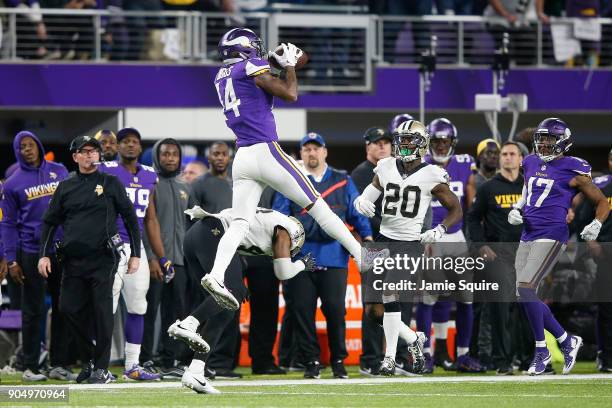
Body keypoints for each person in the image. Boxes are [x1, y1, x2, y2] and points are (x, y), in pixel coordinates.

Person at [202, 27, 363, 311]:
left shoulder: (221, 75)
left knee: (240, 223)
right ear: (244, 48)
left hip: (242, 156)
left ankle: (216, 275)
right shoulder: (250, 64)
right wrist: (288, 65)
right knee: (318, 207)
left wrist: (278, 62)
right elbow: (290, 93)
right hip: (266, 150)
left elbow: (260, 79)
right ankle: (362, 257)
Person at [354, 119, 462, 376]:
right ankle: (413, 338)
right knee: (372, 310)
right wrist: (361, 203)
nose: (402, 146)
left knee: (390, 293)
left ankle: (389, 358)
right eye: (400, 140)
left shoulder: (432, 174)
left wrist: (440, 229)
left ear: (421, 143)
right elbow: (366, 197)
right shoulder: (386, 166)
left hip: (410, 243)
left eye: (408, 141)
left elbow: (456, 208)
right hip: (382, 240)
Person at [169, 206, 315, 394]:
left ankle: (196, 370)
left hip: (198, 235)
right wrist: (302, 264)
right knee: (232, 293)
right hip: (211, 233)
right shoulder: (286, 230)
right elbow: (282, 272)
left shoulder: (271, 225)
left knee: (226, 307)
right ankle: (189, 323)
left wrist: (238, 281)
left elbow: (237, 245)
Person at [507, 118, 609, 375]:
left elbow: (602, 202)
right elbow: (527, 192)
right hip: (528, 232)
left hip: (552, 233)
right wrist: (517, 209)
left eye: (549, 139)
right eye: (541, 138)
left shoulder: (573, 168)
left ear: (562, 142)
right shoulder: (529, 161)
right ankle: (566, 340)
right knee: (523, 295)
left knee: (525, 288)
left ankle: (542, 350)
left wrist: (596, 224)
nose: (543, 143)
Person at [37, 135, 141, 384]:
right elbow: (50, 222)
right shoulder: (65, 187)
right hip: (72, 260)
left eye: (93, 151)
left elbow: (130, 218)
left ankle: (101, 369)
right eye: (83, 152)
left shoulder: (111, 182)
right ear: (75, 157)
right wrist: (43, 255)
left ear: (99, 155)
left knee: (103, 313)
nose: (89, 155)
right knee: (67, 309)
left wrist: (135, 253)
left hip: (104, 259)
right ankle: (92, 359)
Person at [273, 132, 373, 379]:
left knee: (336, 311)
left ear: (325, 152)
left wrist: (368, 239)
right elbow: (279, 217)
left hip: (334, 257)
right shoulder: (290, 181)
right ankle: (311, 362)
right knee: (302, 312)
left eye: (316, 148)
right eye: (306, 149)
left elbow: (355, 213)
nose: (311, 153)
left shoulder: (341, 179)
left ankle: (339, 361)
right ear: (302, 153)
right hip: (301, 260)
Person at [1, 130, 70, 381]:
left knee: (63, 307)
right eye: (21, 147)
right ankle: (30, 366)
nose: (26, 150)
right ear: (16, 152)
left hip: (60, 250)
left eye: (30, 145)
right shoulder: (12, 183)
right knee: (33, 310)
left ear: (39, 146)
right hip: (29, 251)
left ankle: (59, 363)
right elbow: (7, 224)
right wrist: (11, 260)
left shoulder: (60, 171)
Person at [98, 127, 166, 381]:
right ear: (117, 146)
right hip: (110, 248)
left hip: (136, 249)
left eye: (134, 142)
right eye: (124, 141)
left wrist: (161, 256)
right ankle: (100, 365)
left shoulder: (149, 175)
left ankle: (132, 366)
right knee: (108, 308)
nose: (129, 145)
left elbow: (151, 219)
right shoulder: (105, 171)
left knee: (139, 306)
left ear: (140, 147)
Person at [418, 117, 482, 373]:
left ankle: (463, 355)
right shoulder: (420, 166)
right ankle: (424, 354)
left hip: (456, 237)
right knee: (429, 298)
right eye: (437, 141)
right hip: (431, 237)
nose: (442, 146)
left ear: (453, 142)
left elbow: (472, 202)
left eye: (445, 141)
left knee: (466, 298)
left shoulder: (466, 164)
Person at [467, 141, 526, 375]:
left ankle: (530, 358)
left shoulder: (529, 187)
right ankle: (502, 361)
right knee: (499, 309)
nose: (507, 158)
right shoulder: (488, 188)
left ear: (521, 159)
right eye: (504, 154)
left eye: (512, 154)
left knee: (526, 308)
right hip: (498, 255)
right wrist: (481, 245)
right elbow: (472, 218)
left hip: (526, 254)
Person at [140, 138, 195, 379]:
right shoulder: (150, 183)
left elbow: (191, 226)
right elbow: (144, 224)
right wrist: (152, 257)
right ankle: (145, 359)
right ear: (156, 157)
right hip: (156, 261)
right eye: (165, 154)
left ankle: (169, 358)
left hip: (181, 262)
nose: (170, 158)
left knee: (177, 312)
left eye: (174, 154)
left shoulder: (186, 187)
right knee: (150, 311)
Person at [190, 140, 243, 379]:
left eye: (224, 154)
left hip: (237, 253)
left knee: (231, 309)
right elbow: (192, 220)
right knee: (215, 307)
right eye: (216, 154)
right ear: (208, 157)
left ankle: (222, 363)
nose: (220, 157)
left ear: (229, 157)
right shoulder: (200, 184)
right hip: (210, 253)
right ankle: (201, 362)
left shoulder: (239, 183)